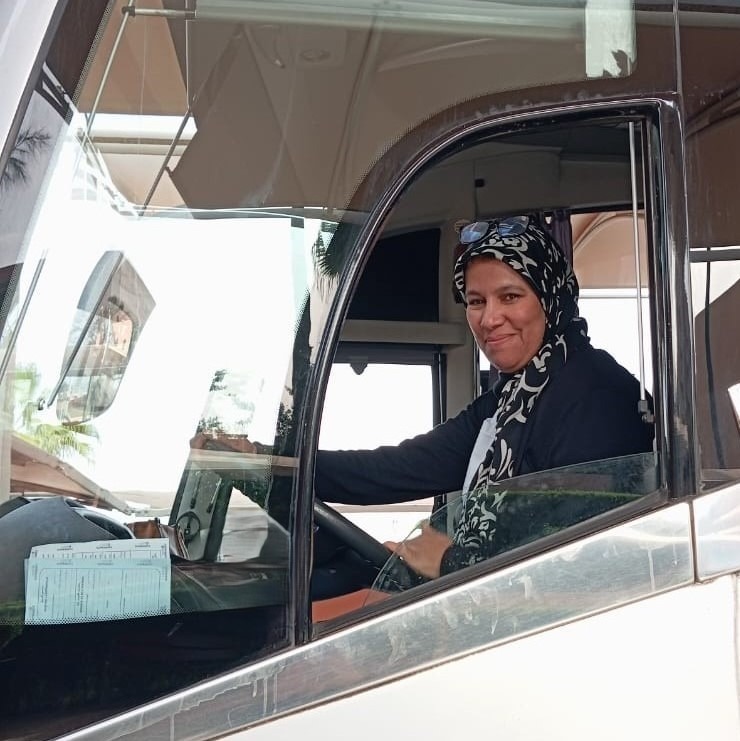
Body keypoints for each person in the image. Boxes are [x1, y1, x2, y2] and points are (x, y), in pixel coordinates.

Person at [314, 215, 654, 579]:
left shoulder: (598, 398)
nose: (489, 319)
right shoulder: (513, 397)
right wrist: (285, 466)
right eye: (476, 301)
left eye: (510, 296)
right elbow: (400, 468)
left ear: (550, 297)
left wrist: (452, 562)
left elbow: (583, 552)